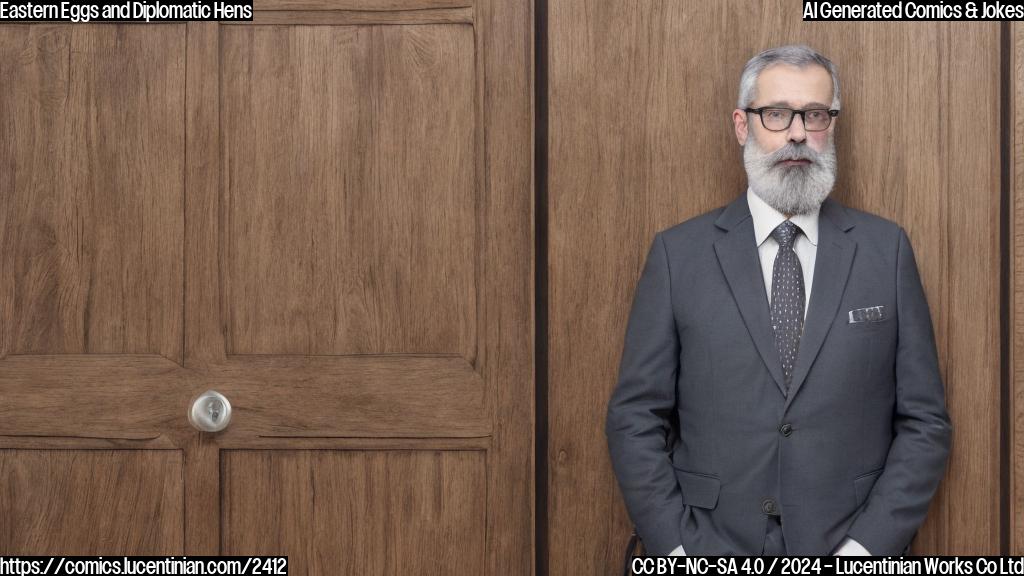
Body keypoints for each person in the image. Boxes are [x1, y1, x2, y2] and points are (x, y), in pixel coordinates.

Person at [605, 44, 952, 556]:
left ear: (830, 125)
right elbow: (635, 417)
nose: (796, 133)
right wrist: (677, 549)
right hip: (707, 546)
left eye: (814, 115)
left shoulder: (887, 250)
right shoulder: (678, 255)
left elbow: (925, 423)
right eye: (776, 114)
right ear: (743, 126)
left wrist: (865, 550)